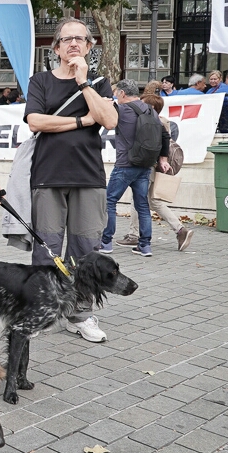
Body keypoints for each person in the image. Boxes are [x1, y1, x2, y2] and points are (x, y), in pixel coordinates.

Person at [22, 17, 117, 343]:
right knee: (46, 251)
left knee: (86, 250)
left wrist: (83, 83)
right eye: (67, 39)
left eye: (80, 38)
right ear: (56, 47)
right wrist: (81, 121)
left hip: (88, 178)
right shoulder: (40, 81)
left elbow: (109, 120)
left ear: (89, 46)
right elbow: (35, 121)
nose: (73, 43)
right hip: (47, 176)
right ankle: (42, 310)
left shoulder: (99, 83)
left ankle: (80, 315)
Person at [99, 80, 169, 258]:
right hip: (145, 165)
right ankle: (145, 246)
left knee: (109, 202)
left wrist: (105, 103)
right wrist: (163, 158)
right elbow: (165, 135)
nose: (116, 96)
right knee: (142, 206)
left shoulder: (121, 110)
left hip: (125, 164)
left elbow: (103, 118)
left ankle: (105, 242)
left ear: (122, 93)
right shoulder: (150, 110)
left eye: (116, 93)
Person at [118, 94, 193, 251]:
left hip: (149, 165)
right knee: (152, 201)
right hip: (155, 165)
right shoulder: (161, 120)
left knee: (138, 199)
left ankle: (134, 235)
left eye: (142, 104)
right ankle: (180, 230)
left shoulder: (154, 121)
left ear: (150, 107)